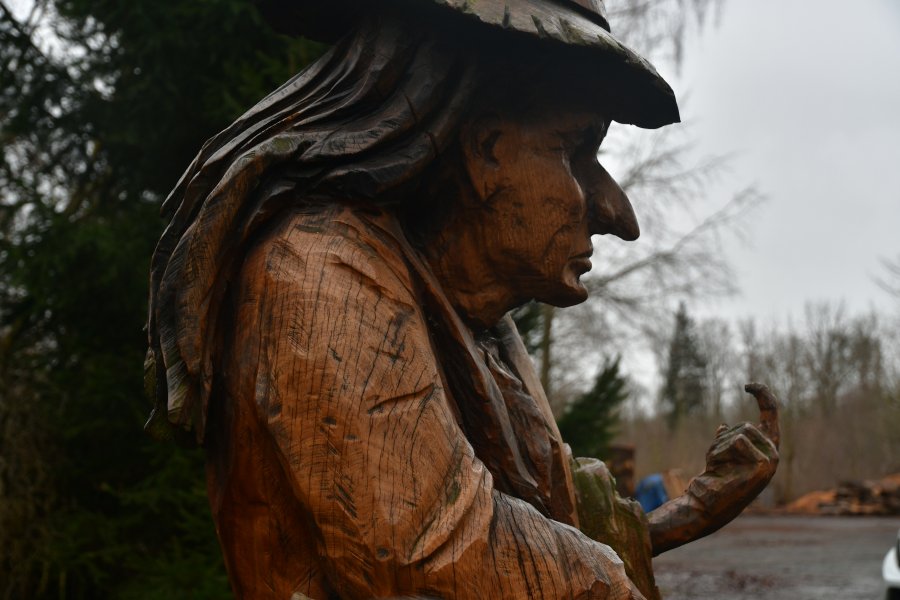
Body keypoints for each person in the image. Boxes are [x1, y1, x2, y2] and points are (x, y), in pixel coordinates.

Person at [145, 2, 778, 598]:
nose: (618, 213)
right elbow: (431, 554)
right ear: (485, 151)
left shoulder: (477, 321)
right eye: (575, 150)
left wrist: (690, 510)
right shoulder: (316, 270)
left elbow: (543, 518)